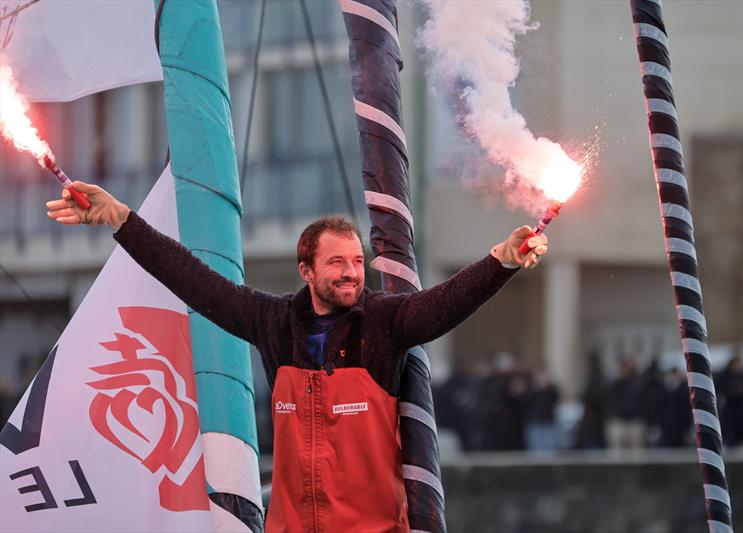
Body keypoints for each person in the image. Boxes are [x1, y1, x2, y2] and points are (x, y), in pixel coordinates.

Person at [45, 181, 549, 533]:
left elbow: (445, 304)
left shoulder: (385, 322)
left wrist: (502, 260)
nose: (352, 273)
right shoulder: (273, 323)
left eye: (357, 262)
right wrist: (121, 220)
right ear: (306, 269)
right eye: (337, 263)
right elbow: (193, 281)